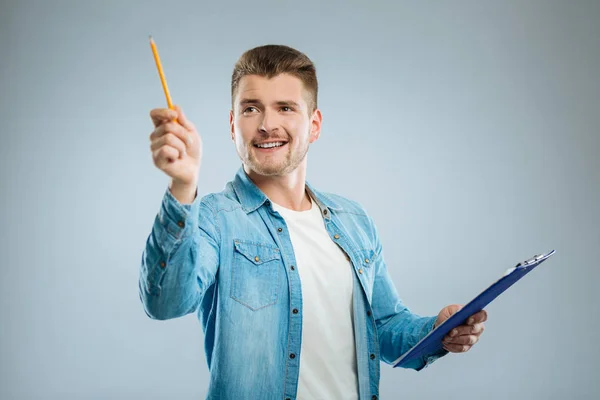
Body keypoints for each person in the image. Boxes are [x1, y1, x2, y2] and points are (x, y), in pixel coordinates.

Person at [139, 44, 487, 400]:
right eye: (250, 108)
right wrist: (183, 185)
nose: (266, 125)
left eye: (285, 108)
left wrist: (436, 330)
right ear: (232, 124)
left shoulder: (354, 221)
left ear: (314, 124)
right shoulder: (214, 217)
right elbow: (164, 302)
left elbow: (382, 326)